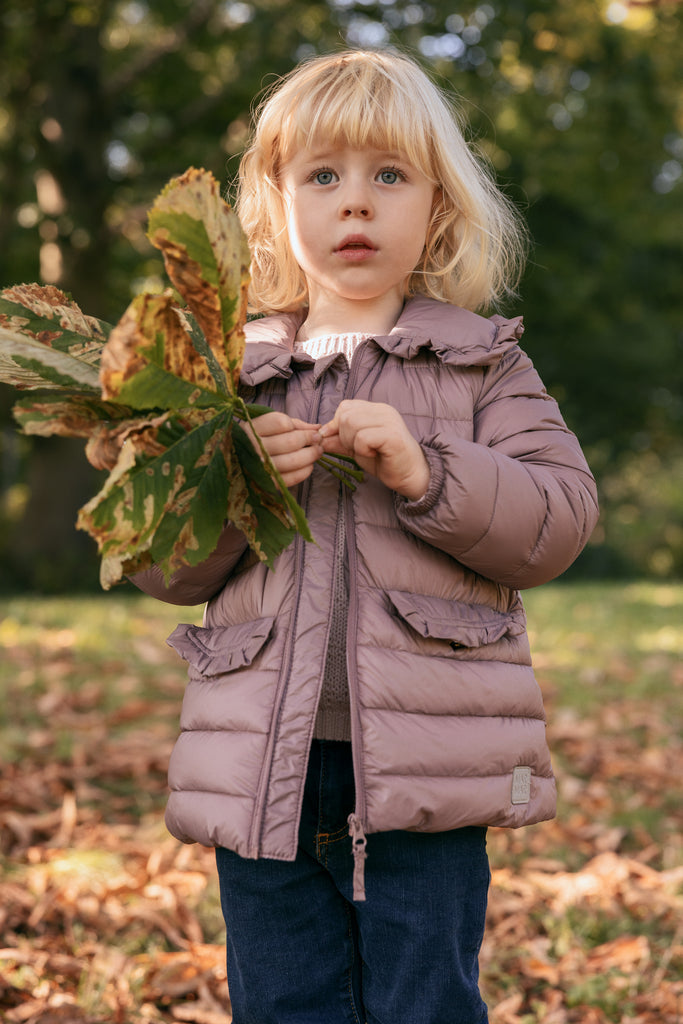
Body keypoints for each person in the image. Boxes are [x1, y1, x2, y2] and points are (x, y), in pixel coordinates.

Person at [131, 49, 599, 1024]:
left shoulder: (479, 366)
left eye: (388, 176)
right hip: (266, 754)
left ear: (434, 208)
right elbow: (159, 561)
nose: (355, 204)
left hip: (427, 763)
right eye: (323, 176)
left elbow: (559, 518)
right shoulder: (230, 375)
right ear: (273, 201)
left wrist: (431, 470)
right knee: (283, 995)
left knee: (423, 993)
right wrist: (232, 483)